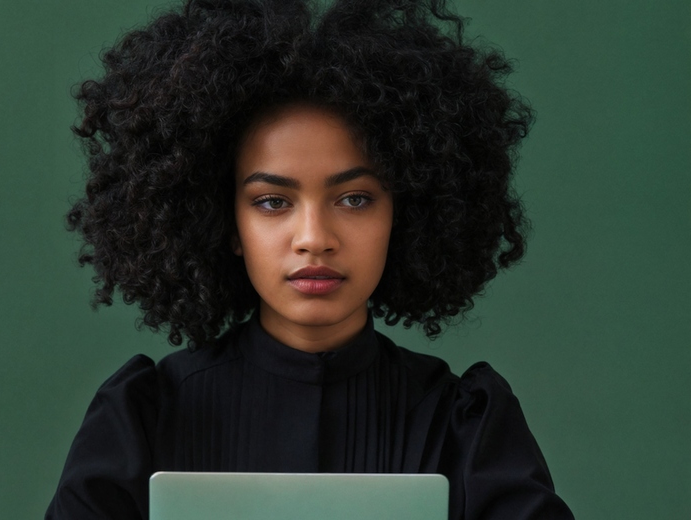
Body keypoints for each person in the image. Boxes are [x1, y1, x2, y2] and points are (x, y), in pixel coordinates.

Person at [46, 0, 575, 519]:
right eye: (273, 202)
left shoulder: (466, 426)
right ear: (227, 224)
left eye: (355, 199)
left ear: (404, 215)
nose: (314, 238)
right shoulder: (143, 418)